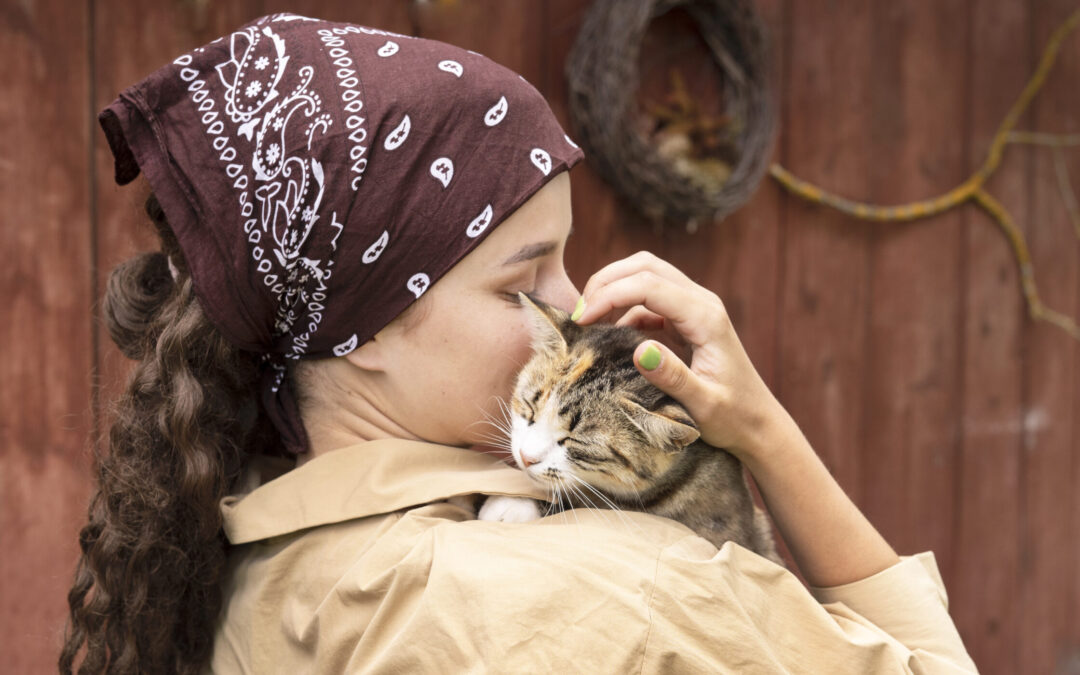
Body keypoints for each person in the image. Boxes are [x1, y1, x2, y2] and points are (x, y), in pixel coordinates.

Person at [61, 12, 978, 675]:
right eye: (524, 280)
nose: (576, 308)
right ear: (369, 324)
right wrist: (768, 433)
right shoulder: (618, 599)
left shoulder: (245, 539)